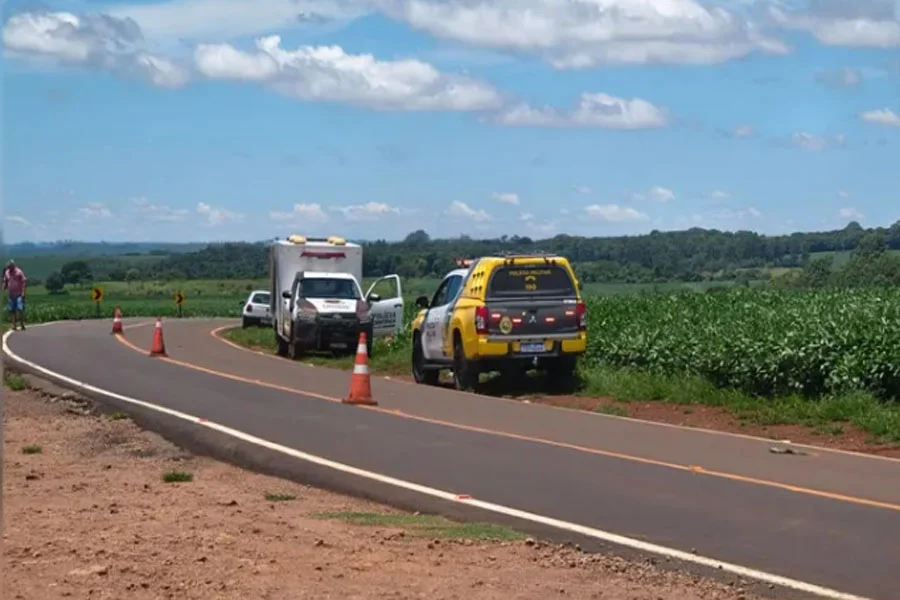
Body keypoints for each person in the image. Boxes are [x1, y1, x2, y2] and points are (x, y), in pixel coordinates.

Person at [3, 259, 27, 331]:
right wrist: (4, 287)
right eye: (8, 267)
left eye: (10, 267)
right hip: (11, 294)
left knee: (20, 309)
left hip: (18, 294)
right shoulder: (7, 272)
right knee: (12, 310)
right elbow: (5, 281)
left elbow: (23, 282)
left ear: (13, 266)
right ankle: (14, 325)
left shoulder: (19, 272)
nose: (9, 268)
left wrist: (23, 292)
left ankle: (22, 324)